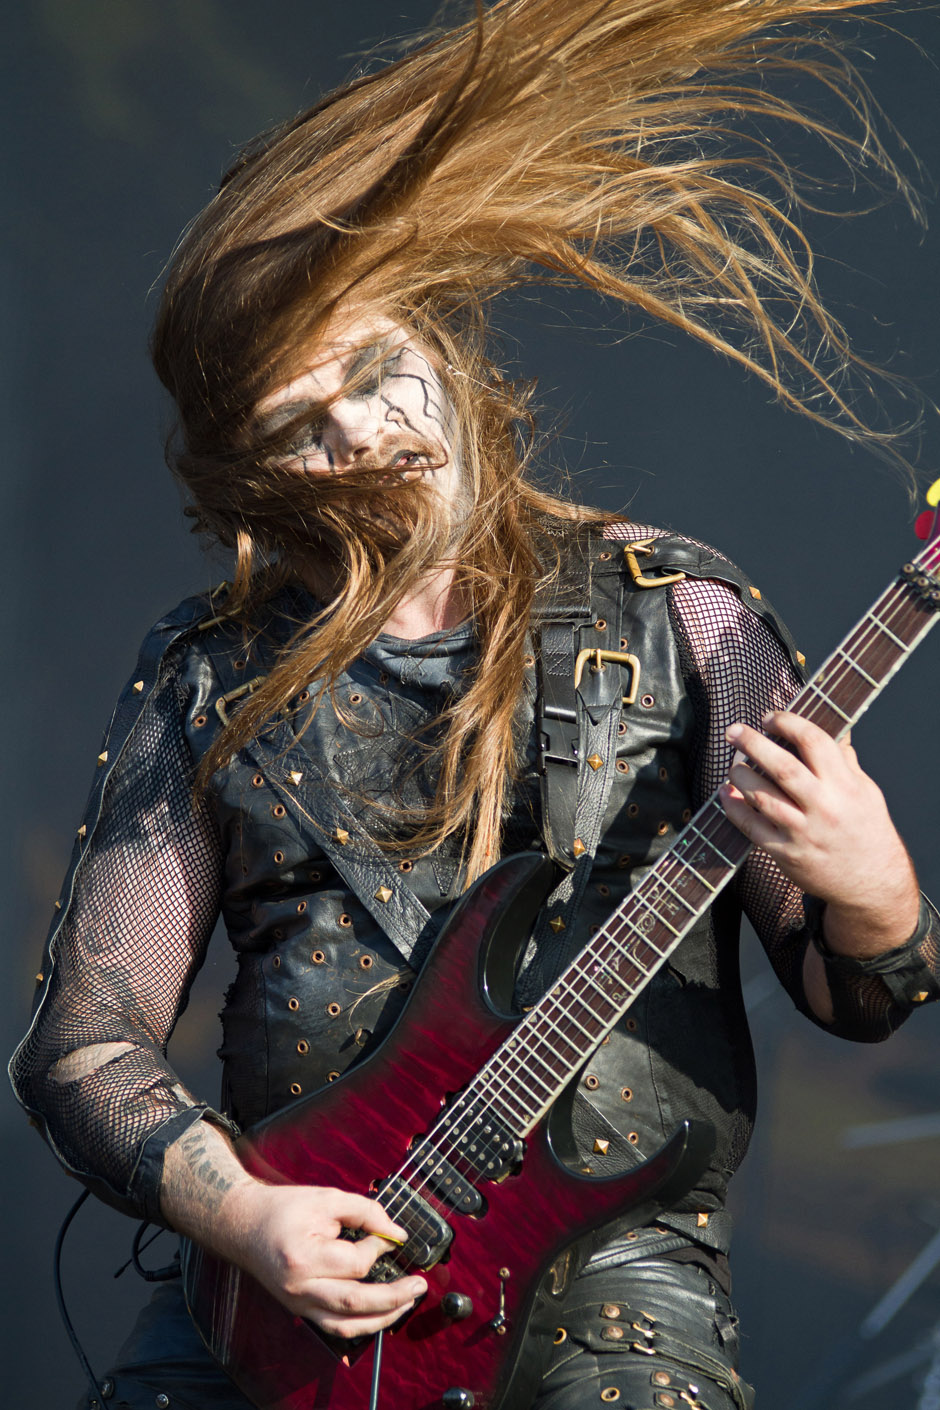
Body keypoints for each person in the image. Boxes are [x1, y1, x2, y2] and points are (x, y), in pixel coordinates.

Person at [10, 2, 940, 1408]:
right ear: (256, 477)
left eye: (374, 378)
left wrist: (877, 898)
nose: (359, 439)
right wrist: (242, 1213)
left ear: (444, 349)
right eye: (297, 431)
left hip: (615, 1290)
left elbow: (853, 988)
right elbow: (81, 1043)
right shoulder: (211, 673)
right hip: (276, 1304)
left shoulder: (682, 613)